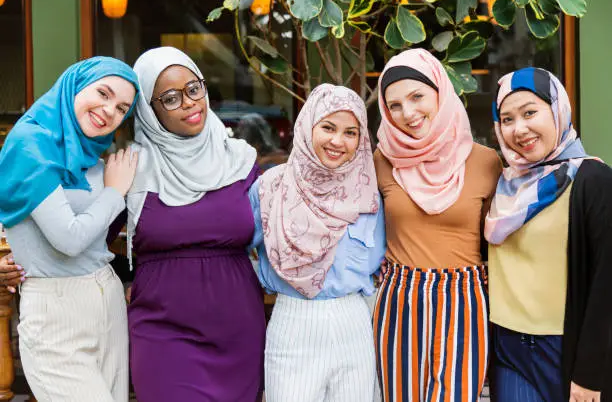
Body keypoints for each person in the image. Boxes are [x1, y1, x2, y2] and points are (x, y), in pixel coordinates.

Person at [126, 47, 265, 401]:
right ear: (149, 109)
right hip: (163, 334)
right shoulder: (131, 169)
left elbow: (281, 232)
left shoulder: (241, 161)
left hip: (238, 333)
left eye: (194, 88)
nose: (189, 103)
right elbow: (87, 239)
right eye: (170, 98)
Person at [0, 57, 140, 402]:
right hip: (55, 309)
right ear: (74, 87)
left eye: (122, 108)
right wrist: (114, 192)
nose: (109, 111)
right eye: (103, 93)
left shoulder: (91, 153)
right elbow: (69, 239)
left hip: (106, 296)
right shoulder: (29, 144)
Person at [372, 48, 502, 402]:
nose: (407, 113)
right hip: (401, 298)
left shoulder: (487, 162)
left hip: (465, 298)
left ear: (440, 93)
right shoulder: (381, 160)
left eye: (417, 97)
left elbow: (506, 235)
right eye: (394, 105)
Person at [249, 83, 384, 401]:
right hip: (292, 322)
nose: (338, 141)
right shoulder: (270, 187)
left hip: (354, 322)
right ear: (308, 125)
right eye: (328, 127)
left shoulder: (368, 193)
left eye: (351, 132)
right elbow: (237, 255)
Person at [485, 67, 612, 402]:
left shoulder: (594, 179)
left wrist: (590, 374)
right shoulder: (503, 186)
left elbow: (606, 286)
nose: (519, 129)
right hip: (508, 348)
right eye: (507, 119)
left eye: (530, 112)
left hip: (564, 349)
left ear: (557, 110)